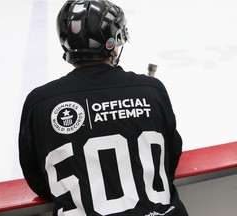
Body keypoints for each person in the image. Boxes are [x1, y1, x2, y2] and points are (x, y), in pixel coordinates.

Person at [19, 0, 188, 215]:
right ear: (114, 42)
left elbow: (40, 182)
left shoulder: (40, 103)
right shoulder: (151, 90)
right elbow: (168, 161)